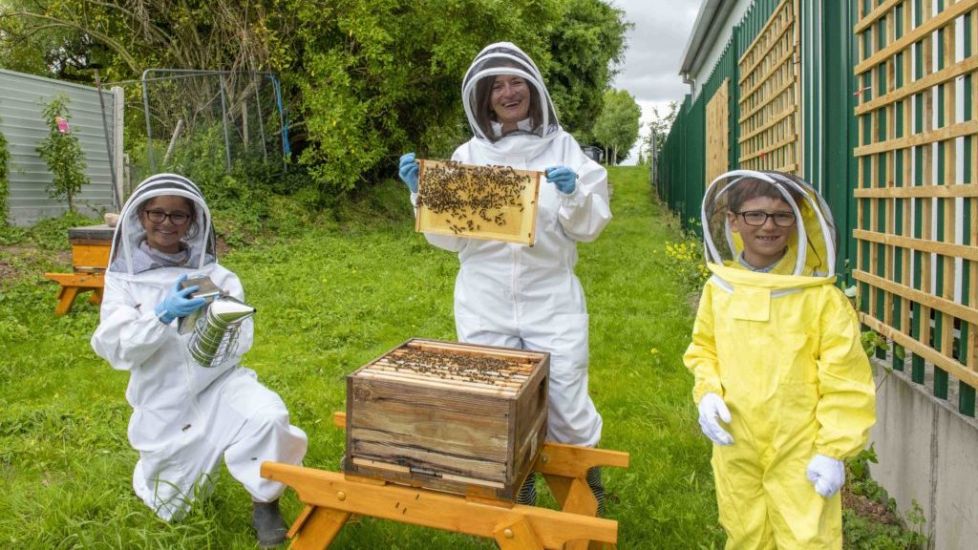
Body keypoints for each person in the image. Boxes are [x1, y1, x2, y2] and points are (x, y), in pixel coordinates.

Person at [398, 42, 612, 512]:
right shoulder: (469, 153)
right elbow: (450, 241)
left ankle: (587, 493)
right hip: (484, 297)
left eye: (516, 82)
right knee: (495, 403)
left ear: (534, 89)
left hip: (551, 297)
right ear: (483, 97)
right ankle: (516, 497)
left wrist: (575, 194)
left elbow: (591, 227)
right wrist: (423, 197)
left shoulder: (564, 147)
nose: (508, 92)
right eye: (497, 86)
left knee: (566, 399)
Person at [91, 173, 307, 548]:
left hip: (220, 384)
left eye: (178, 216)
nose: (166, 223)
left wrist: (210, 324)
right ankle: (163, 474)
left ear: (193, 222)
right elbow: (117, 347)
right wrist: (161, 315)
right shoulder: (124, 281)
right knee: (171, 504)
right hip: (163, 396)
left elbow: (242, 338)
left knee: (268, 417)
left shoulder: (217, 276)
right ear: (141, 217)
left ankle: (265, 503)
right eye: (157, 213)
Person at [683, 169, 877, 548]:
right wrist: (706, 393)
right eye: (755, 214)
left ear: (797, 221)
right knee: (745, 535)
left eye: (781, 215)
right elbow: (704, 349)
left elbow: (847, 381)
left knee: (807, 540)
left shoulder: (819, 298)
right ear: (734, 221)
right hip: (736, 441)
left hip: (800, 448)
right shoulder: (720, 288)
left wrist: (832, 451)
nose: (768, 226)